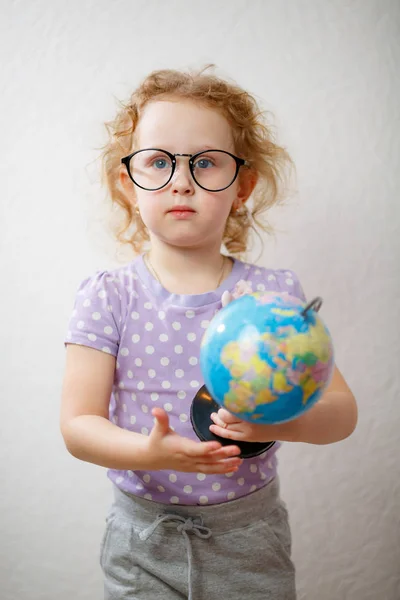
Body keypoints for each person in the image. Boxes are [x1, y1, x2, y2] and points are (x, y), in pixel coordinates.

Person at [60, 66, 358, 600]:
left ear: (241, 186)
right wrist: (152, 453)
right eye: (158, 161)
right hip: (142, 544)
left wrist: (277, 421)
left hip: (250, 541)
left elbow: (341, 414)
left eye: (205, 162)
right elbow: (78, 426)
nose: (181, 181)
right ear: (126, 184)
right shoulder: (109, 295)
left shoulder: (271, 300)